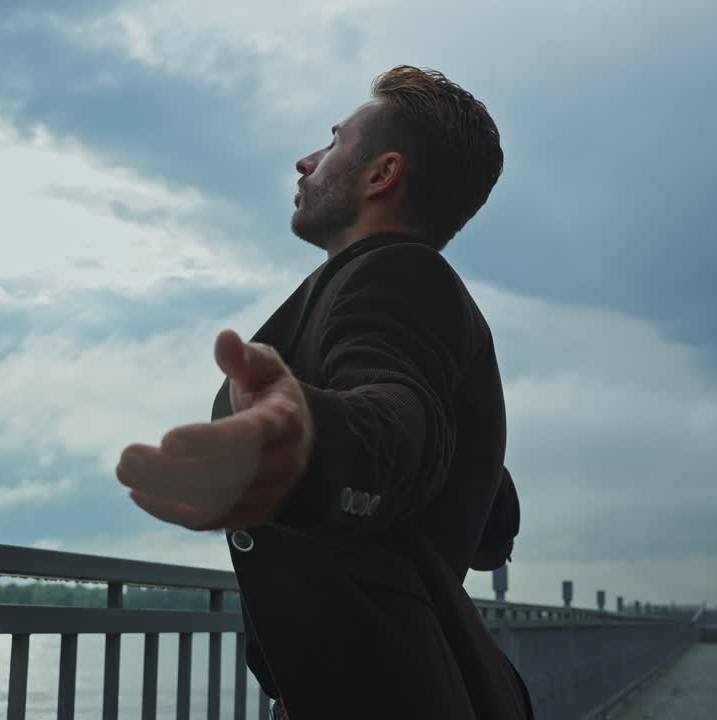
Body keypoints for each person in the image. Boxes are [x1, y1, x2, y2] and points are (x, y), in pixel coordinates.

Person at [117, 65, 531, 719]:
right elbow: (454, 470)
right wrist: (479, 505)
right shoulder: (410, 292)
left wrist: (313, 449)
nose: (305, 160)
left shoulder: (397, 273)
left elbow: (398, 418)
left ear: (380, 175)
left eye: (334, 141)